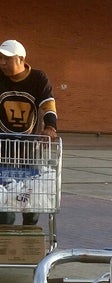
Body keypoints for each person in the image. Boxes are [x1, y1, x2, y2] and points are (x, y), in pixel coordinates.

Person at [0, 39, 58, 225]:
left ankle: (28, 241)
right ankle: (7, 246)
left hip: (29, 151)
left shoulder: (38, 79)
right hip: (3, 150)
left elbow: (47, 104)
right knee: (4, 208)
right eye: (0, 58)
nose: (2, 63)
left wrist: (50, 127)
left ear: (21, 59)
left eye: (7, 59)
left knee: (31, 202)